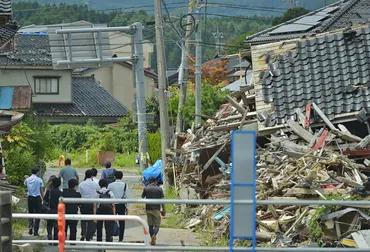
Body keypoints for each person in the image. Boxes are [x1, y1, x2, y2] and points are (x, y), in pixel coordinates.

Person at [141, 176, 166, 246]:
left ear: (148, 181)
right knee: (157, 225)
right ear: (155, 181)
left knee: (150, 225)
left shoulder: (146, 188)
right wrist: (164, 209)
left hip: (148, 209)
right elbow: (162, 200)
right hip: (157, 209)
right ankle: (154, 235)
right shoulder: (159, 189)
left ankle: (152, 237)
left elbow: (142, 197)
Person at [78, 169, 100, 241]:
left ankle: (83, 233)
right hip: (92, 203)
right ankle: (89, 235)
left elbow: (79, 194)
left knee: (83, 219)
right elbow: (98, 192)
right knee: (91, 220)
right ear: (92, 175)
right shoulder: (95, 184)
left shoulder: (81, 184)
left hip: (83, 203)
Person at [108, 171, 129, 242]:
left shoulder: (110, 185)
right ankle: (121, 238)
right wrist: (127, 207)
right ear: (122, 177)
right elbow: (127, 197)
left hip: (112, 205)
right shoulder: (125, 185)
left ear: (115, 177)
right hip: (122, 205)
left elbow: (108, 195)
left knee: (111, 221)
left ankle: (110, 236)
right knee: (122, 222)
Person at [24, 167, 44, 236]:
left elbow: (25, 184)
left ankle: (30, 228)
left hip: (30, 198)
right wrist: (43, 199)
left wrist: (27, 177)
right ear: (37, 172)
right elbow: (41, 191)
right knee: (37, 214)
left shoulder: (28, 179)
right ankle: (36, 231)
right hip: (37, 198)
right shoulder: (39, 180)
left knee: (31, 213)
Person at [44, 177, 62, 243]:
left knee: (49, 224)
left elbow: (45, 200)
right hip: (57, 211)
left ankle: (49, 235)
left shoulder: (49, 191)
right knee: (56, 225)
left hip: (50, 210)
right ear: (59, 184)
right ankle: (55, 238)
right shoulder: (60, 193)